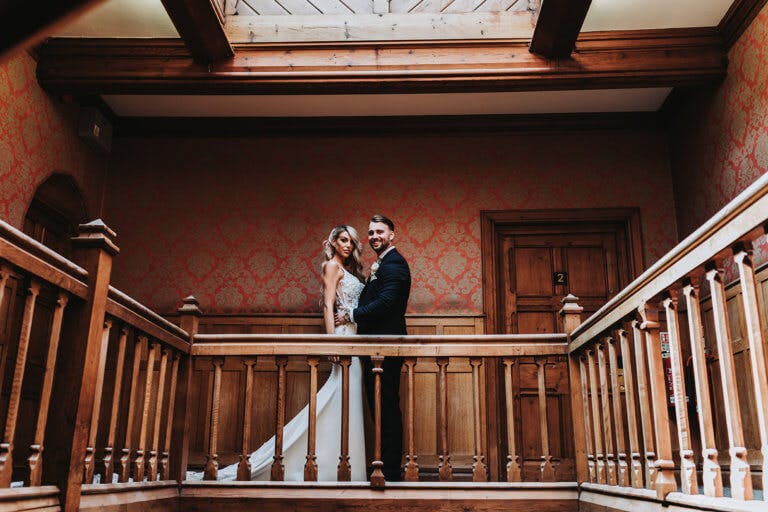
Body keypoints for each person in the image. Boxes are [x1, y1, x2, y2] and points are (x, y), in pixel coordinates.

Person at [187, 225, 367, 481]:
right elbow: (328, 304)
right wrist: (330, 342)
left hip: (356, 337)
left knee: (347, 398)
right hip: (342, 337)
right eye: (343, 240)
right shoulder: (331, 267)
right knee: (339, 395)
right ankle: (319, 464)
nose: (348, 245)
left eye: (351, 241)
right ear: (334, 242)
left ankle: (345, 466)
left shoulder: (349, 271)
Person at [337, 214, 411, 482]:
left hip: (386, 346)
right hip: (374, 346)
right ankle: (383, 466)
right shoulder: (382, 263)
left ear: (392, 235)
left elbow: (387, 302)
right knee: (378, 406)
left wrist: (351, 315)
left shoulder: (395, 264)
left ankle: (390, 471)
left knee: (386, 406)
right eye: (370, 232)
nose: (374, 236)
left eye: (380, 231)